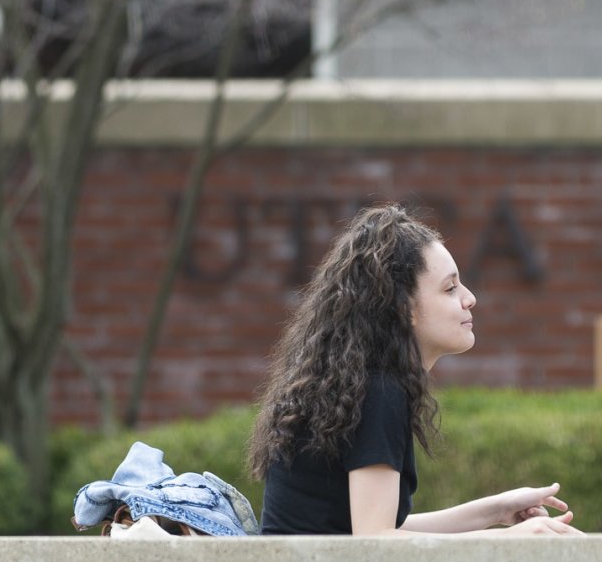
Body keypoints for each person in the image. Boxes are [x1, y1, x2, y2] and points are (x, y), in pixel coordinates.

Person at [249, 204, 581, 537]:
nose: (470, 299)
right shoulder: (378, 393)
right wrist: (513, 538)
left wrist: (496, 510)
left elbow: (365, 530)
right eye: (450, 288)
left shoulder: (362, 386)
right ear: (403, 308)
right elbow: (376, 541)